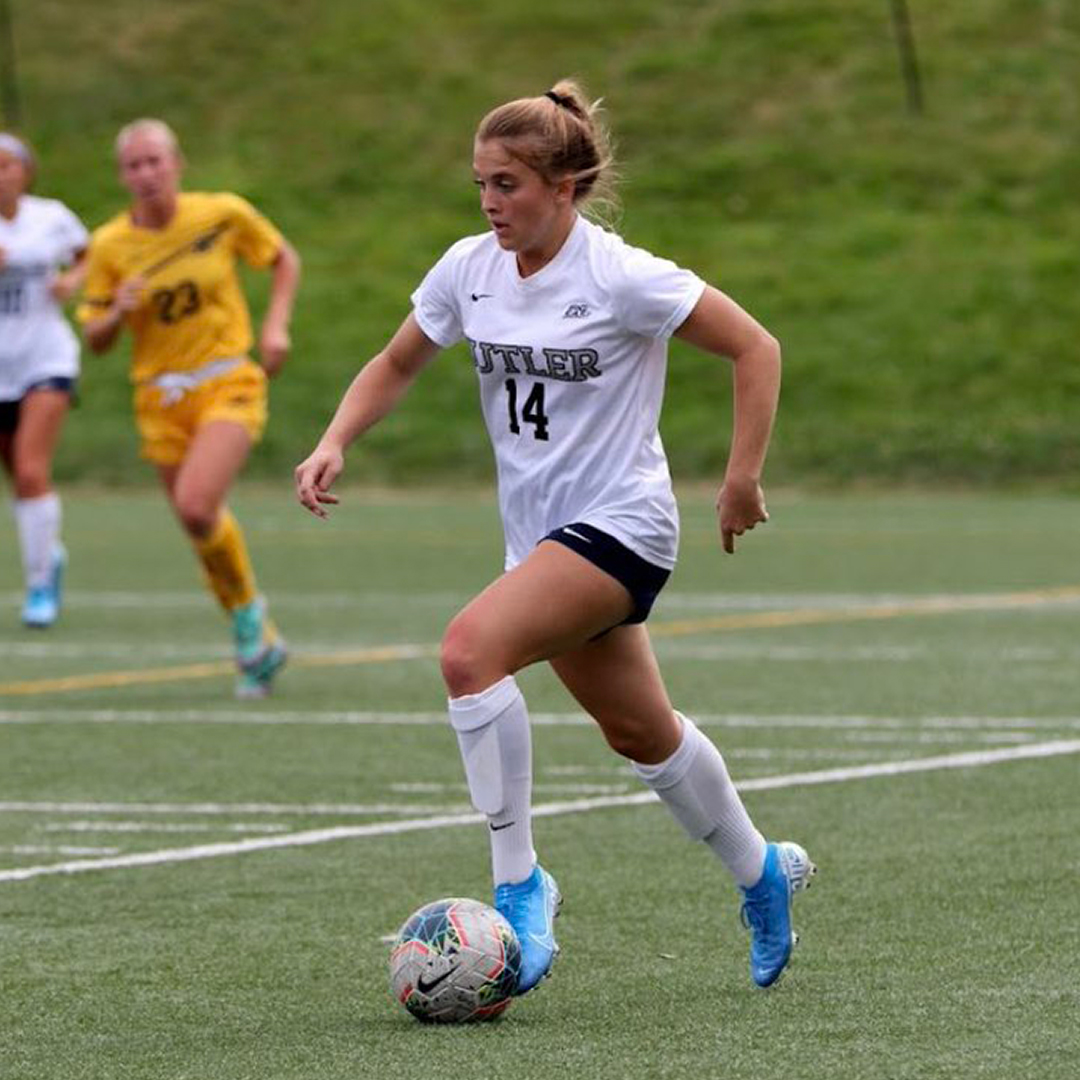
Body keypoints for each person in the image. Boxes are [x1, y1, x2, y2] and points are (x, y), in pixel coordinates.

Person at [295, 81, 815, 994]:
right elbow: (397, 361)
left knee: (468, 653)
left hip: (623, 525)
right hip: (540, 540)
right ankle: (760, 870)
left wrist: (741, 478)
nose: (490, 204)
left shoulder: (620, 276)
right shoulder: (469, 269)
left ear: (564, 187)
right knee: (640, 732)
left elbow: (756, 347)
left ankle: (520, 883)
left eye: (508, 185)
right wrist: (337, 438)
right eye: (480, 185)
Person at [77, 119, 300, 698]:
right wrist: (116, 311)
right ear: (122, 176)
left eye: (155, 161)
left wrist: (275, 327)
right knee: (197, 524)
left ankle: (249, 619)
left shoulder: (221, 214)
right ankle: (254, 636)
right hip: (158, 398)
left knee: (197, 505)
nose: (146, 174)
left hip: (226, 381)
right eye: (134, 165)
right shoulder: (108, 245)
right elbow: (95, 339)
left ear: (177, 163)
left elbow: (282, 258)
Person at [0, 133, 88, 628]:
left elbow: (89, 253)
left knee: (32, 470)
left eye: (6, 165)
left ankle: (38, 586)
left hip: (46, 359)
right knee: (19, 477)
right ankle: (47, 553)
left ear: (25, 171)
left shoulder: (50, 217)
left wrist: (72, 281)